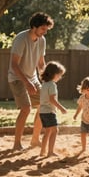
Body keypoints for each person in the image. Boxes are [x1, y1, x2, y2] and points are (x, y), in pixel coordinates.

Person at [8, 12, 54, 151]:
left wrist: (47, 81)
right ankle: (17, 143)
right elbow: (14, 65)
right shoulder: (21, 39)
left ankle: (35, 140)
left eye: (46, 30)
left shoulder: (41, 40)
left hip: (32, 78)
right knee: (26, 108)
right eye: (43, 29)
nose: (45, 32)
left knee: (44, 104)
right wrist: (27, 83)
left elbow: (41, 63)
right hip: (17, 77)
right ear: (34, 27)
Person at [39, 61, 67, 157]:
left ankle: (42, 151)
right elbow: (52, 99)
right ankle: (50, 152)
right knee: (55, 131)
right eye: (59, 75)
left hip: (42, 112)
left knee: (47, 131)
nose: (60, 77)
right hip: (49, 112)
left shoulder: (44, 84)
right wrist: (61, 108)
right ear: (54, 74)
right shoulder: (52, 85)